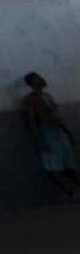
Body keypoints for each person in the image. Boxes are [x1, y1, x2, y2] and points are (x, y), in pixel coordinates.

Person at [22, 71, 79, 201]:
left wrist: (68, 133)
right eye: (37, 79)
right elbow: (32, 121)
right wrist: (40, 139)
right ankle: (70, 192)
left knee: (67, 167)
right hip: (47, 134)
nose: (42, 79)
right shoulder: (31, 100)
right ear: (32, 84)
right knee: (53, 169)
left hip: (57, 133)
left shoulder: (47, 96)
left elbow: (57, 118)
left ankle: (72, 192)